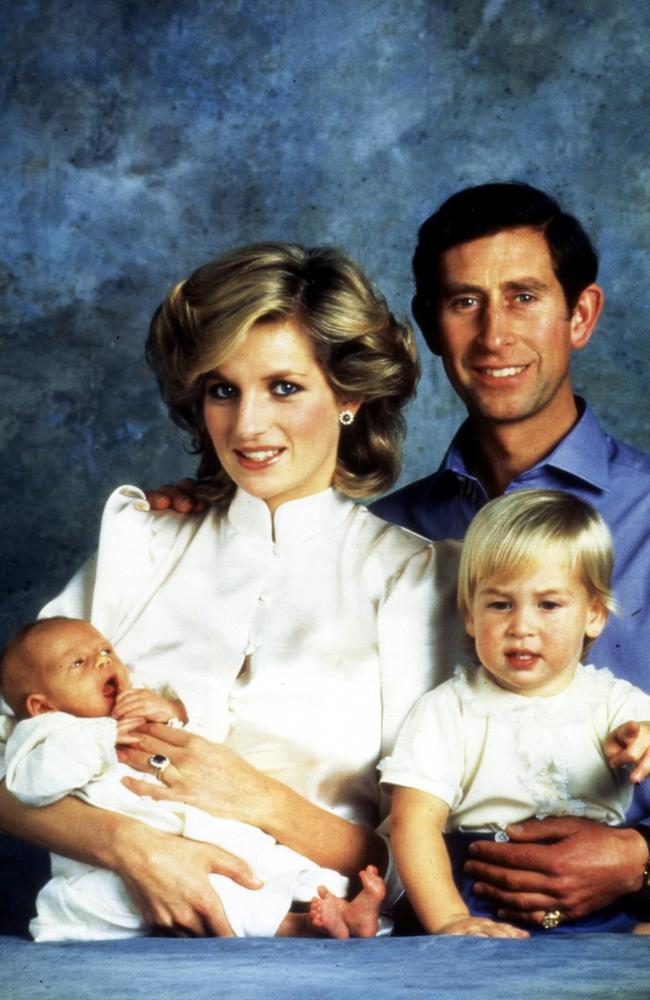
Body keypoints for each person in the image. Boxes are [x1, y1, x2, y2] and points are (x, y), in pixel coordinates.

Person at [147, 187, 650, 928]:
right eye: (464, 303)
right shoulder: (393, 539)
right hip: (427, 940)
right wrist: (212, 508)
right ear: (431, 324)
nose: (495, 335)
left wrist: (642, 861)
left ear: (580, 315)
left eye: (524, 297)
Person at [0, 242, 465, 936]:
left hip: (319, 958)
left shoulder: (417, 580)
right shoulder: (143, 542)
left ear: (349, 395)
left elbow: (413, 863)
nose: (247, 426)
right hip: (109, 946)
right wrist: (132, 847)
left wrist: (260, 801)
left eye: (284, 386)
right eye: (223, 389)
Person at [0, 616, 385, 940]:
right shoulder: (42, 735)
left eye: (105, 651)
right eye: (78, 664)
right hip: (113, 877)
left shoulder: (136, 707)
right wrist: (103, 737)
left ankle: (337, 901)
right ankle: (301, 927)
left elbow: (208, 739)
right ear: (42, 706)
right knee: (218, 889)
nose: (102, 662)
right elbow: (30, 785)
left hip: (195, 833)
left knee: (267, 857)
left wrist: (172, 712)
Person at [381, 489, 650, 937]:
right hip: (477, 895)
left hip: (598, 896)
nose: (521, 626)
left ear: (594, 616)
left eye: (549, 605)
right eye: (500, 604)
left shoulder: (613, 701)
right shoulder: (451, 709)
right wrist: (450, 919)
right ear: (469, 616)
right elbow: (414, 823)